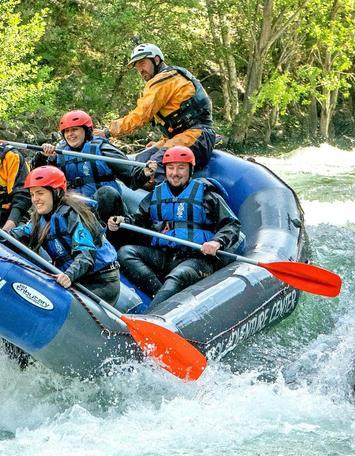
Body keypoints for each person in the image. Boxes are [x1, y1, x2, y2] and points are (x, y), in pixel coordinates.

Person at [107, 146, 240, 308]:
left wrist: (217, 242)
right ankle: (159, 295)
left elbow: (231, 224)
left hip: (197, 258)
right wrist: (120, 221)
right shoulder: (157, 194)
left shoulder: (207, 194)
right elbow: (138, 220)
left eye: (181, 168)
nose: (175, 173)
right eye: (170, 168)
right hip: (166, 255)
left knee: (178, 276)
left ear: (190, 170)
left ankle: (153, 315)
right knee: (125, 253)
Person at [0, 166, 120, 304]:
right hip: (76, 279)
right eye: (32, 194)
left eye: (40, 193)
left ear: (56, 192)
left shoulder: (73, 215)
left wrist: (69, 275)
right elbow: (11, 238)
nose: (35, 199)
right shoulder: (39, 220)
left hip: (100, 282)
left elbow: (87, 255)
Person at [102, 40, 217, 172]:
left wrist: (108, 132)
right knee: (139, 163)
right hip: (185, 137)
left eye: (142, 63)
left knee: (152, 169)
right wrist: (160, 144)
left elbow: (140, 116)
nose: (140, 69)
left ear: (156, 60)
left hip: (197, 137)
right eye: (136, 66)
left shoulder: (164, 80)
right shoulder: (171, 76)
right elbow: (175, 123)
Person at [34, 109, 153, 221]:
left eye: (74, 129)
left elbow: (131, 177)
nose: (70, 134)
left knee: (106, 193)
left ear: (86, 131)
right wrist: (43, 157)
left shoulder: (103, 149)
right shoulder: (57, 155)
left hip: (102, 209)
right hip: (74, 209)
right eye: (67, 131)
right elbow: (39, 182)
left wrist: (144, 173)